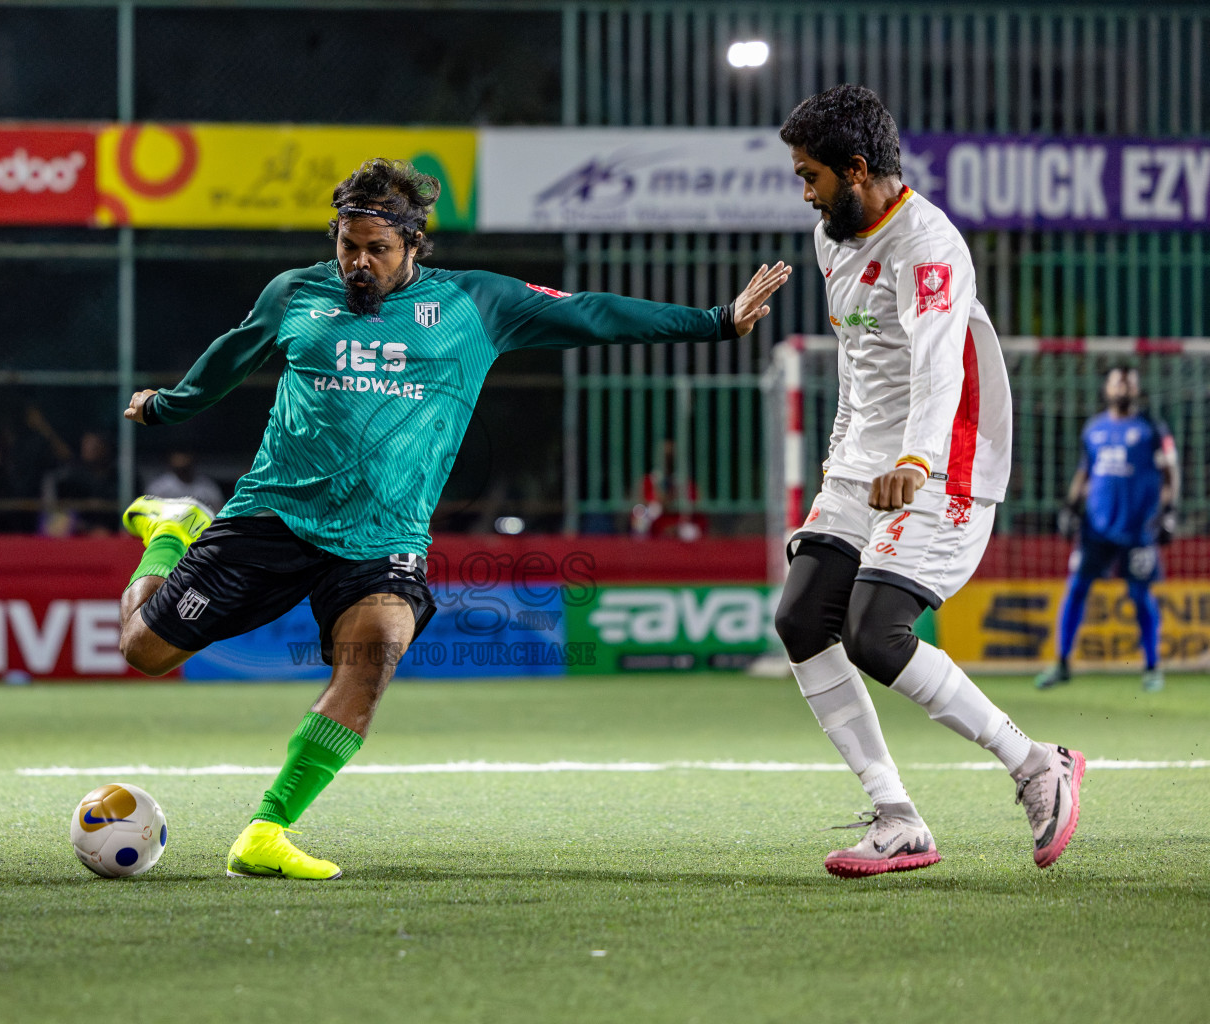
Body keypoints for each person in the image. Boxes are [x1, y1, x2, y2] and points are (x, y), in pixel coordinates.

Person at [117, 157, 792, 880]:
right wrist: (170, 405)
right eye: (349, 245)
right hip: (273, 515)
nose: (359, 263)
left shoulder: (477, 305)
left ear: (414, 245)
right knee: (143, 652)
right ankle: (169, 531)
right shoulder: (296, 294)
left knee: (373, 657)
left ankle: (267, 828)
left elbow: (592, 312)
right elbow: (232, 353)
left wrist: (716, 322)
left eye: (377, 248)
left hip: (384, 540)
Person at [772, 85, 1084, 878]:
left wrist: (914, 461)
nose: (803, 191)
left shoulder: (928, 244)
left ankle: (1035, 764)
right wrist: (839, 477)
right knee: (804, 617)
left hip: (946, 458)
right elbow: (859, 367)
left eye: (811, 175)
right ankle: (897, 818)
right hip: (865, 465)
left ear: (857, 168)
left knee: (876, 633)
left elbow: (937, 364)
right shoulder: (830, 238)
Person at [1035, 366, 1178, 692]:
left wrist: (1169, 513)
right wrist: (1071, 508)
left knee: (1141, 595)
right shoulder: (1094, 429)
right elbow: (1085, 473)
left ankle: (1153, 667)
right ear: (1107, 388)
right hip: (1096, 530)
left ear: (1137, 388)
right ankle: (1062, 663)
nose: (1123, 387)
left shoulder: (1151, 428)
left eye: (1129, 382)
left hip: (1138, 529)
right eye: (1118, 381)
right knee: (1076, 589)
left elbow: (1171, 473)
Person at [143, 450, 224, 513]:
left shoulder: (207, 486)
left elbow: (219, 513)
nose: (182, 461)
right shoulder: (159, 486)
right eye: (178, 459)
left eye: (186, 458)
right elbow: (148, 512)